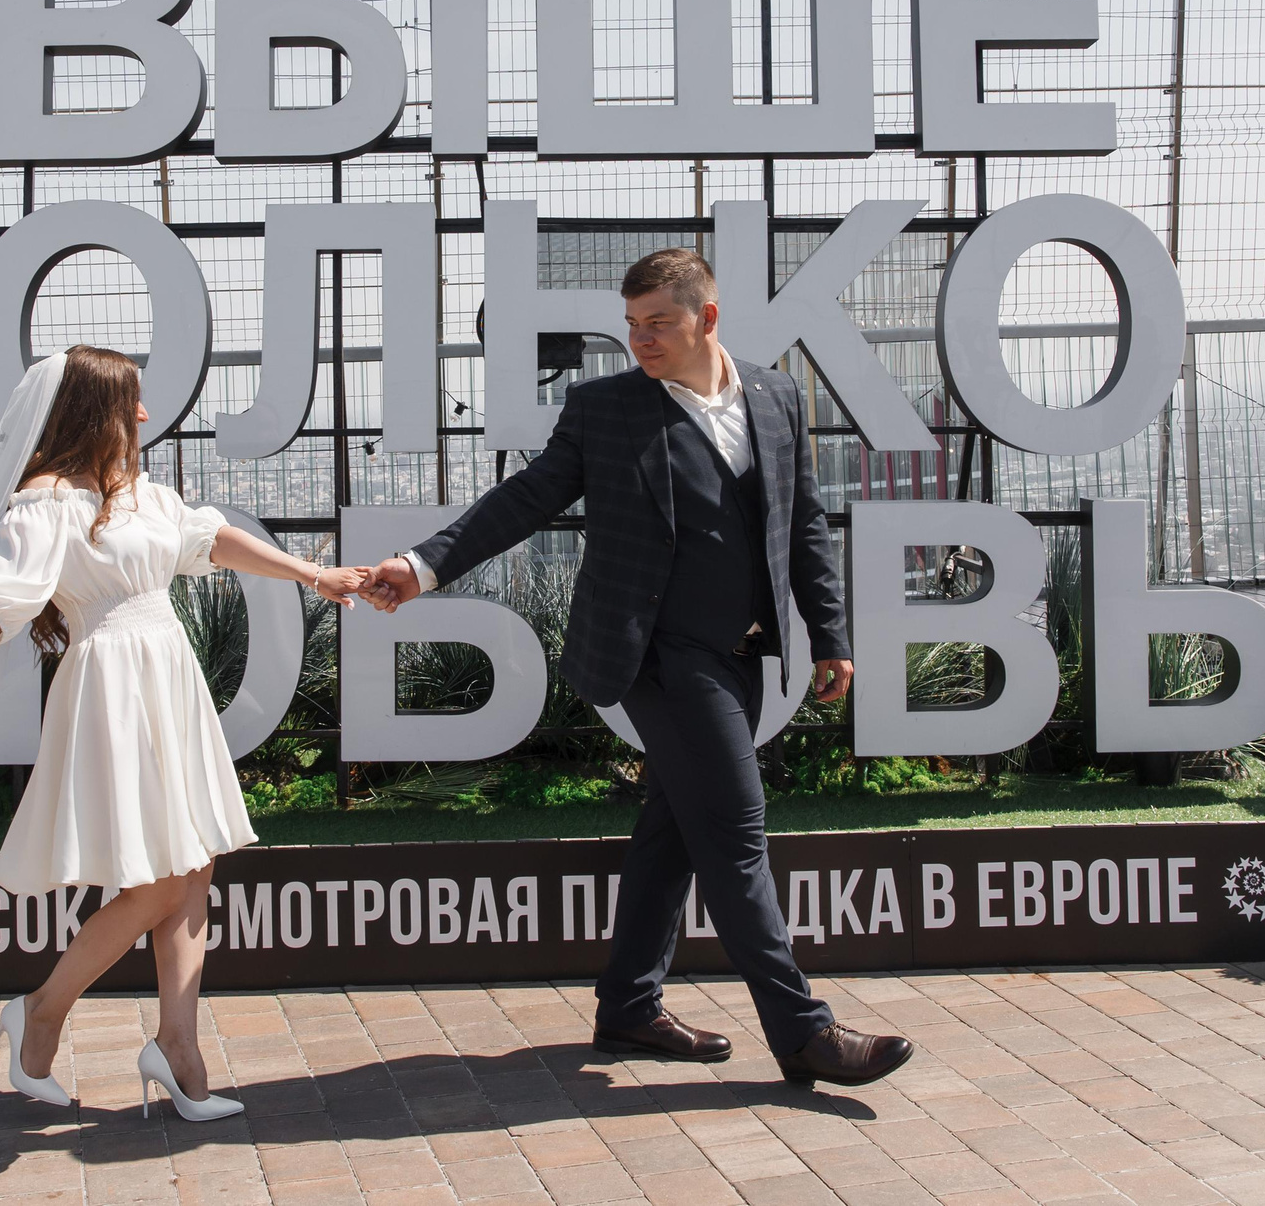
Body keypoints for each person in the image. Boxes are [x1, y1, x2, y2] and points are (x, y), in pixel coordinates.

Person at [361, 249, 912, 1088]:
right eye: (632, 322)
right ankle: (804, 1031)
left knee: (676, 830)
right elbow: (526, 498)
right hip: (656, 654)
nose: (640, 338)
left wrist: (828, 633)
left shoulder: (775, 394)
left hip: (740, 655)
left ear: (708, 318)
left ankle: (628, 1004)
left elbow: (801, 523)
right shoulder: (607, 408)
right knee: (733, 829)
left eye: (658, 321)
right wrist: (423, 563)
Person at [0, 345, 370, 1119]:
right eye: (131, 400)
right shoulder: (46, 500)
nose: (144, 414)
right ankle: (45, 1008)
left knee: (193, 866)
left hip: (167, 674)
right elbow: (2, 597)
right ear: (96, 409)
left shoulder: (142, 494)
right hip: (112, 685)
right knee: (161, 877)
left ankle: (178, 1045)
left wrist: (310, 572)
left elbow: (211, 540)